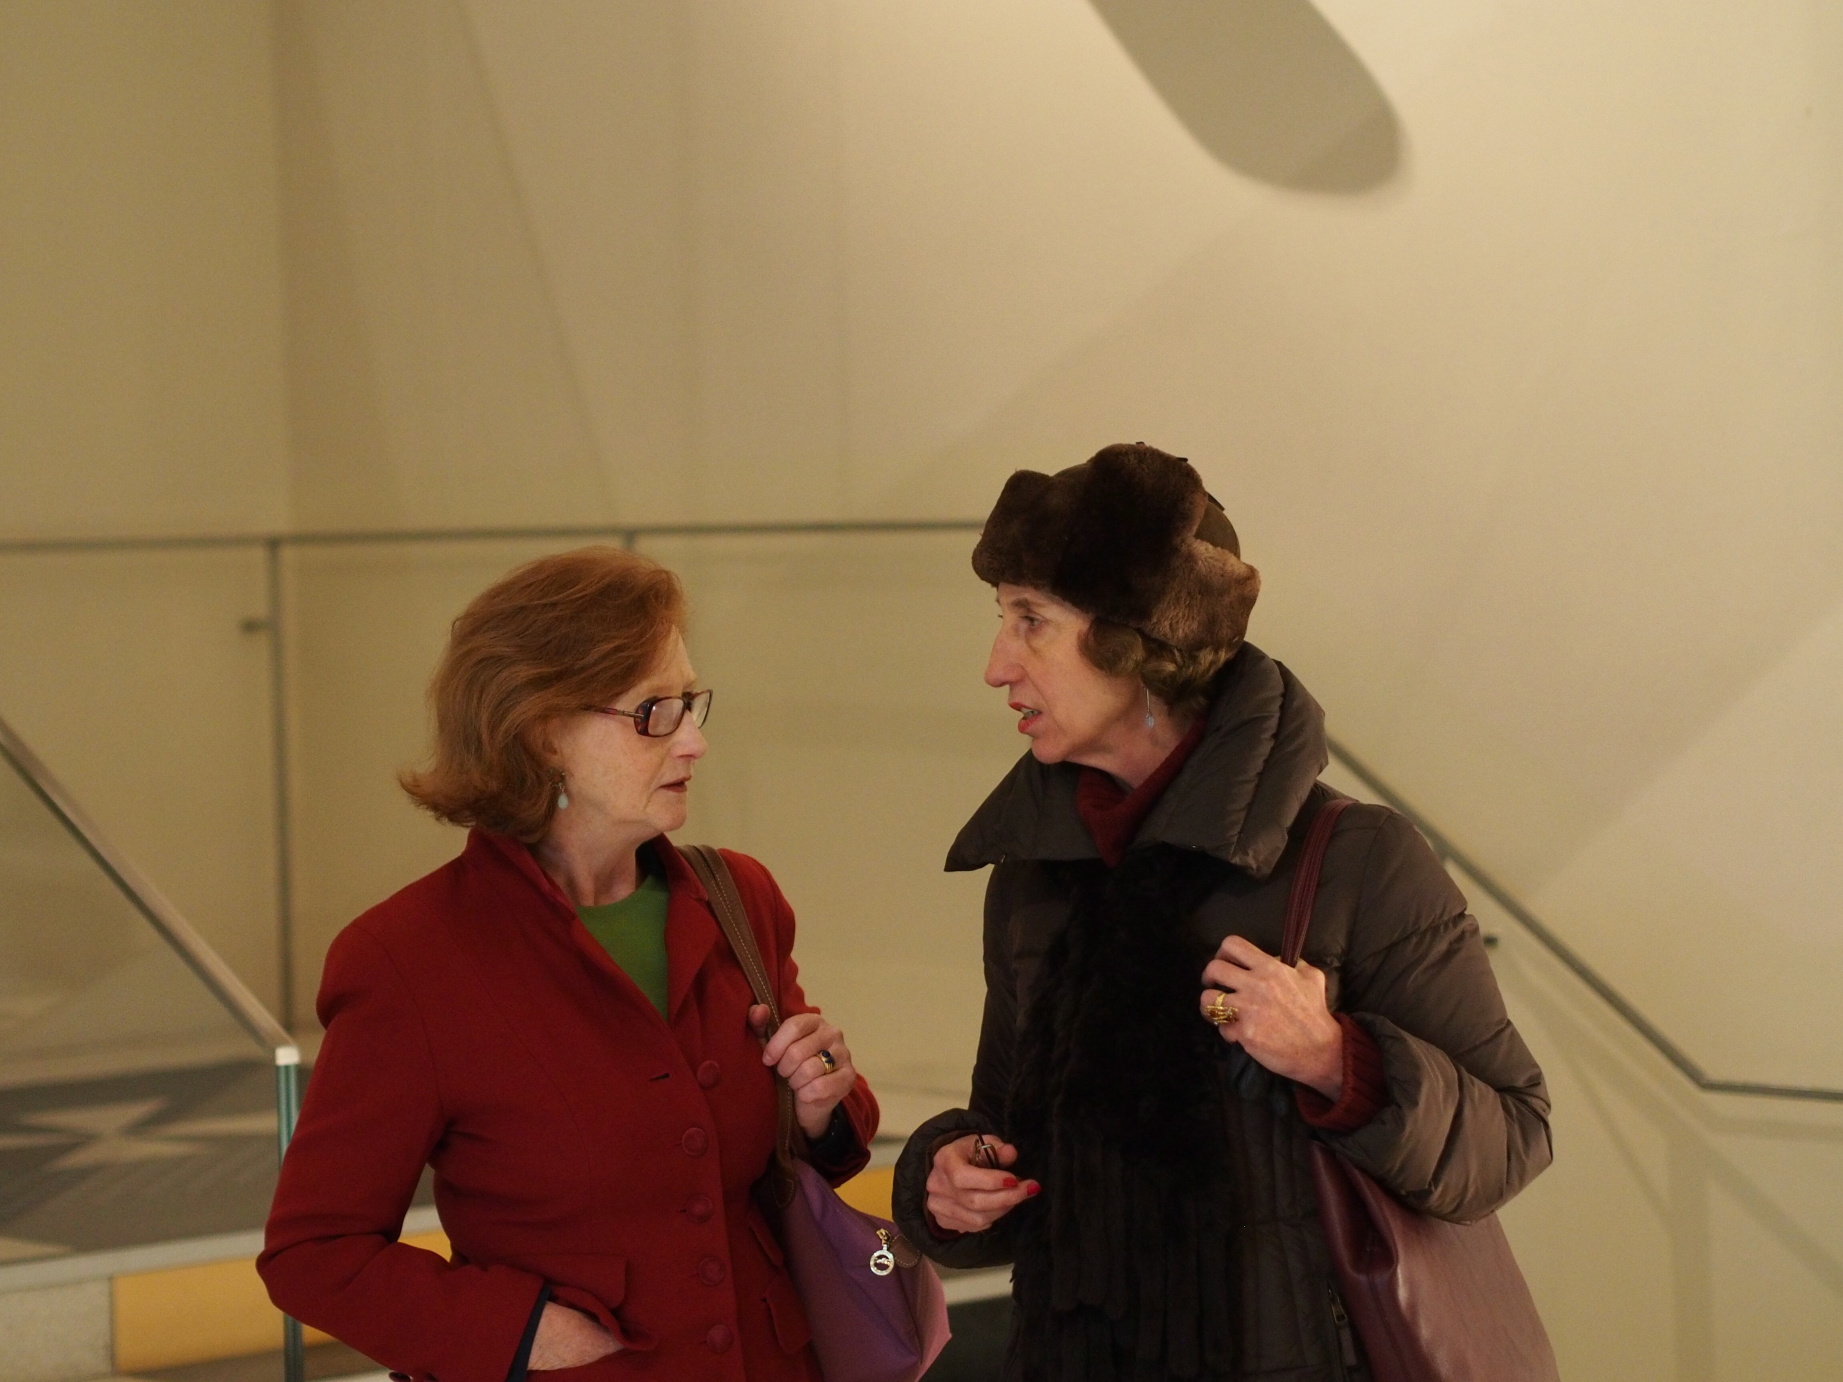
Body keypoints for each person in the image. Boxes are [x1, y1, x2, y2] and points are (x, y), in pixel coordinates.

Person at [890, 445, 1552, 1382]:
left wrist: (1336, 1061)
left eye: (1030, 621)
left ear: (1138, 642)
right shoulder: (1034, 879)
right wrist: (948, 1183)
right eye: (1001, 620)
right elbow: (1012, 1138)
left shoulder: (1358, 859)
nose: (997, 666)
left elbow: (1513, 1136)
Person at [260, 547, 877, 1382]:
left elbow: (815, 1156)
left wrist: (821, 1108)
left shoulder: (739, 898)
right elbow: (314, 1254)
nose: (694, 742)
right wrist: (521, 1335)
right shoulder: (406, 959)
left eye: (690, 703)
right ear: (540, 730)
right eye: (654, 711)